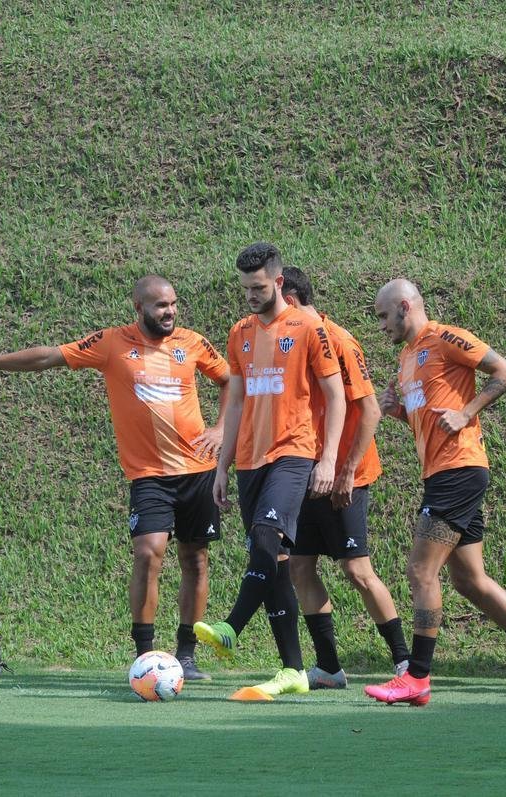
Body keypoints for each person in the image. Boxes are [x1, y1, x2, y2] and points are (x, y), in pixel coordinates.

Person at [0, 276, 229, 680]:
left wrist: (222, 428)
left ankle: (186, 656)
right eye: (160, 305)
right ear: (138, 308)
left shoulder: (192, 342)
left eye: (173, 304)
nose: (170, 312)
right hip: (149, 475)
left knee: (195, 559)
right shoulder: (111, 343)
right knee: (148, 553)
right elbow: (48, 358)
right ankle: (145, 656)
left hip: (198, 471)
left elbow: (229, 380)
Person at [365, 278, 506, 708]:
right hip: (443, 472)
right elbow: (429, 419)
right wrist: (397, 411)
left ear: (405, 306)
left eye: (383, 316)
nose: (381, 325)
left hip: (458, 470)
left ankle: (417, 676)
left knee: (421, 571)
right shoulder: (406, 356)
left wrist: (466, 411)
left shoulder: (446, 337)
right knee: (469, 579)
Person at [194, 243, 346, 700]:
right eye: (245, 288)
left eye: (258, 287)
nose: (251, 295)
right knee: (275, 562)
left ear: (278, 282)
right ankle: (293, 670)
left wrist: (328, 459)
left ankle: (231, 626)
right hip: (249, 461)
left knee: (265, 536)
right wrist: (222, 466)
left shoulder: (308, 328)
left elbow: (335, 396)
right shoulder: (239, 332)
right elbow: (236, 403)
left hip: (293, 453)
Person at [278, 267, 409, 687]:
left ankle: (405, 662)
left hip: (344, 475)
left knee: (357, 570)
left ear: (290, 300)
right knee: (300, 567)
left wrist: (345, 470)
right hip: (304, 471)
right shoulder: (287, 340)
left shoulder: (338, 340)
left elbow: (369, 410)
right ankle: (330, 667)